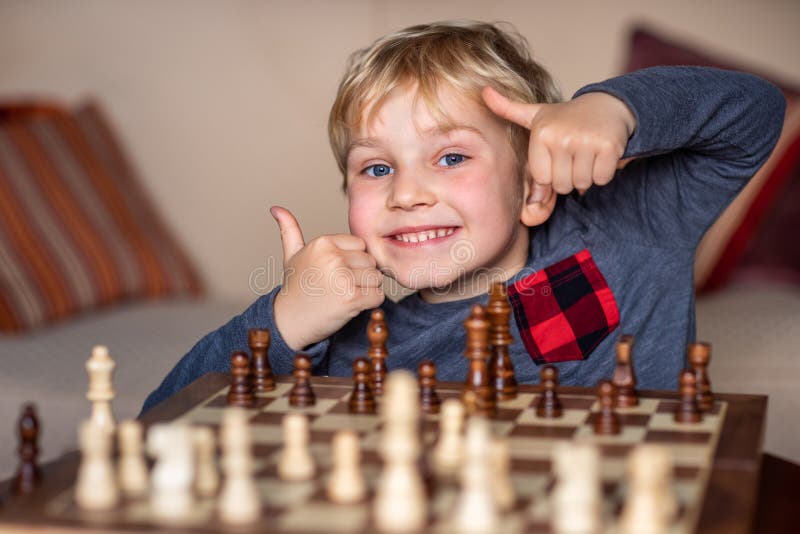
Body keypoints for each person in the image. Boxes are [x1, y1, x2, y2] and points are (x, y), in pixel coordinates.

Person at [142, 21, 784, 412]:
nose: (408, 192)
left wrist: (616, 108)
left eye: (450, 156)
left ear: (535, 189)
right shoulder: (353, 348)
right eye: (375, 167)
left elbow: (755, 114)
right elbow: (159, 424)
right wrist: (283, 320)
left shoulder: (634, 231)